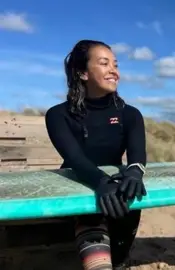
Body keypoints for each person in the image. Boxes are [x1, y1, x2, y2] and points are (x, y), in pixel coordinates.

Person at [45, 39, 148, 270]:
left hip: (114, 190)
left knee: (127, 194)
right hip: (79, 190)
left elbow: (137, 157)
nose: (114, 71)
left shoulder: (130, 115)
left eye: (116, 64)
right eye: (104, 63)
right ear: (82, 73)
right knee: (97, 211)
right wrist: (100, 181)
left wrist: (133, 173)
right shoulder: (58, 115)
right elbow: (74, 159)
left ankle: (119, 260)